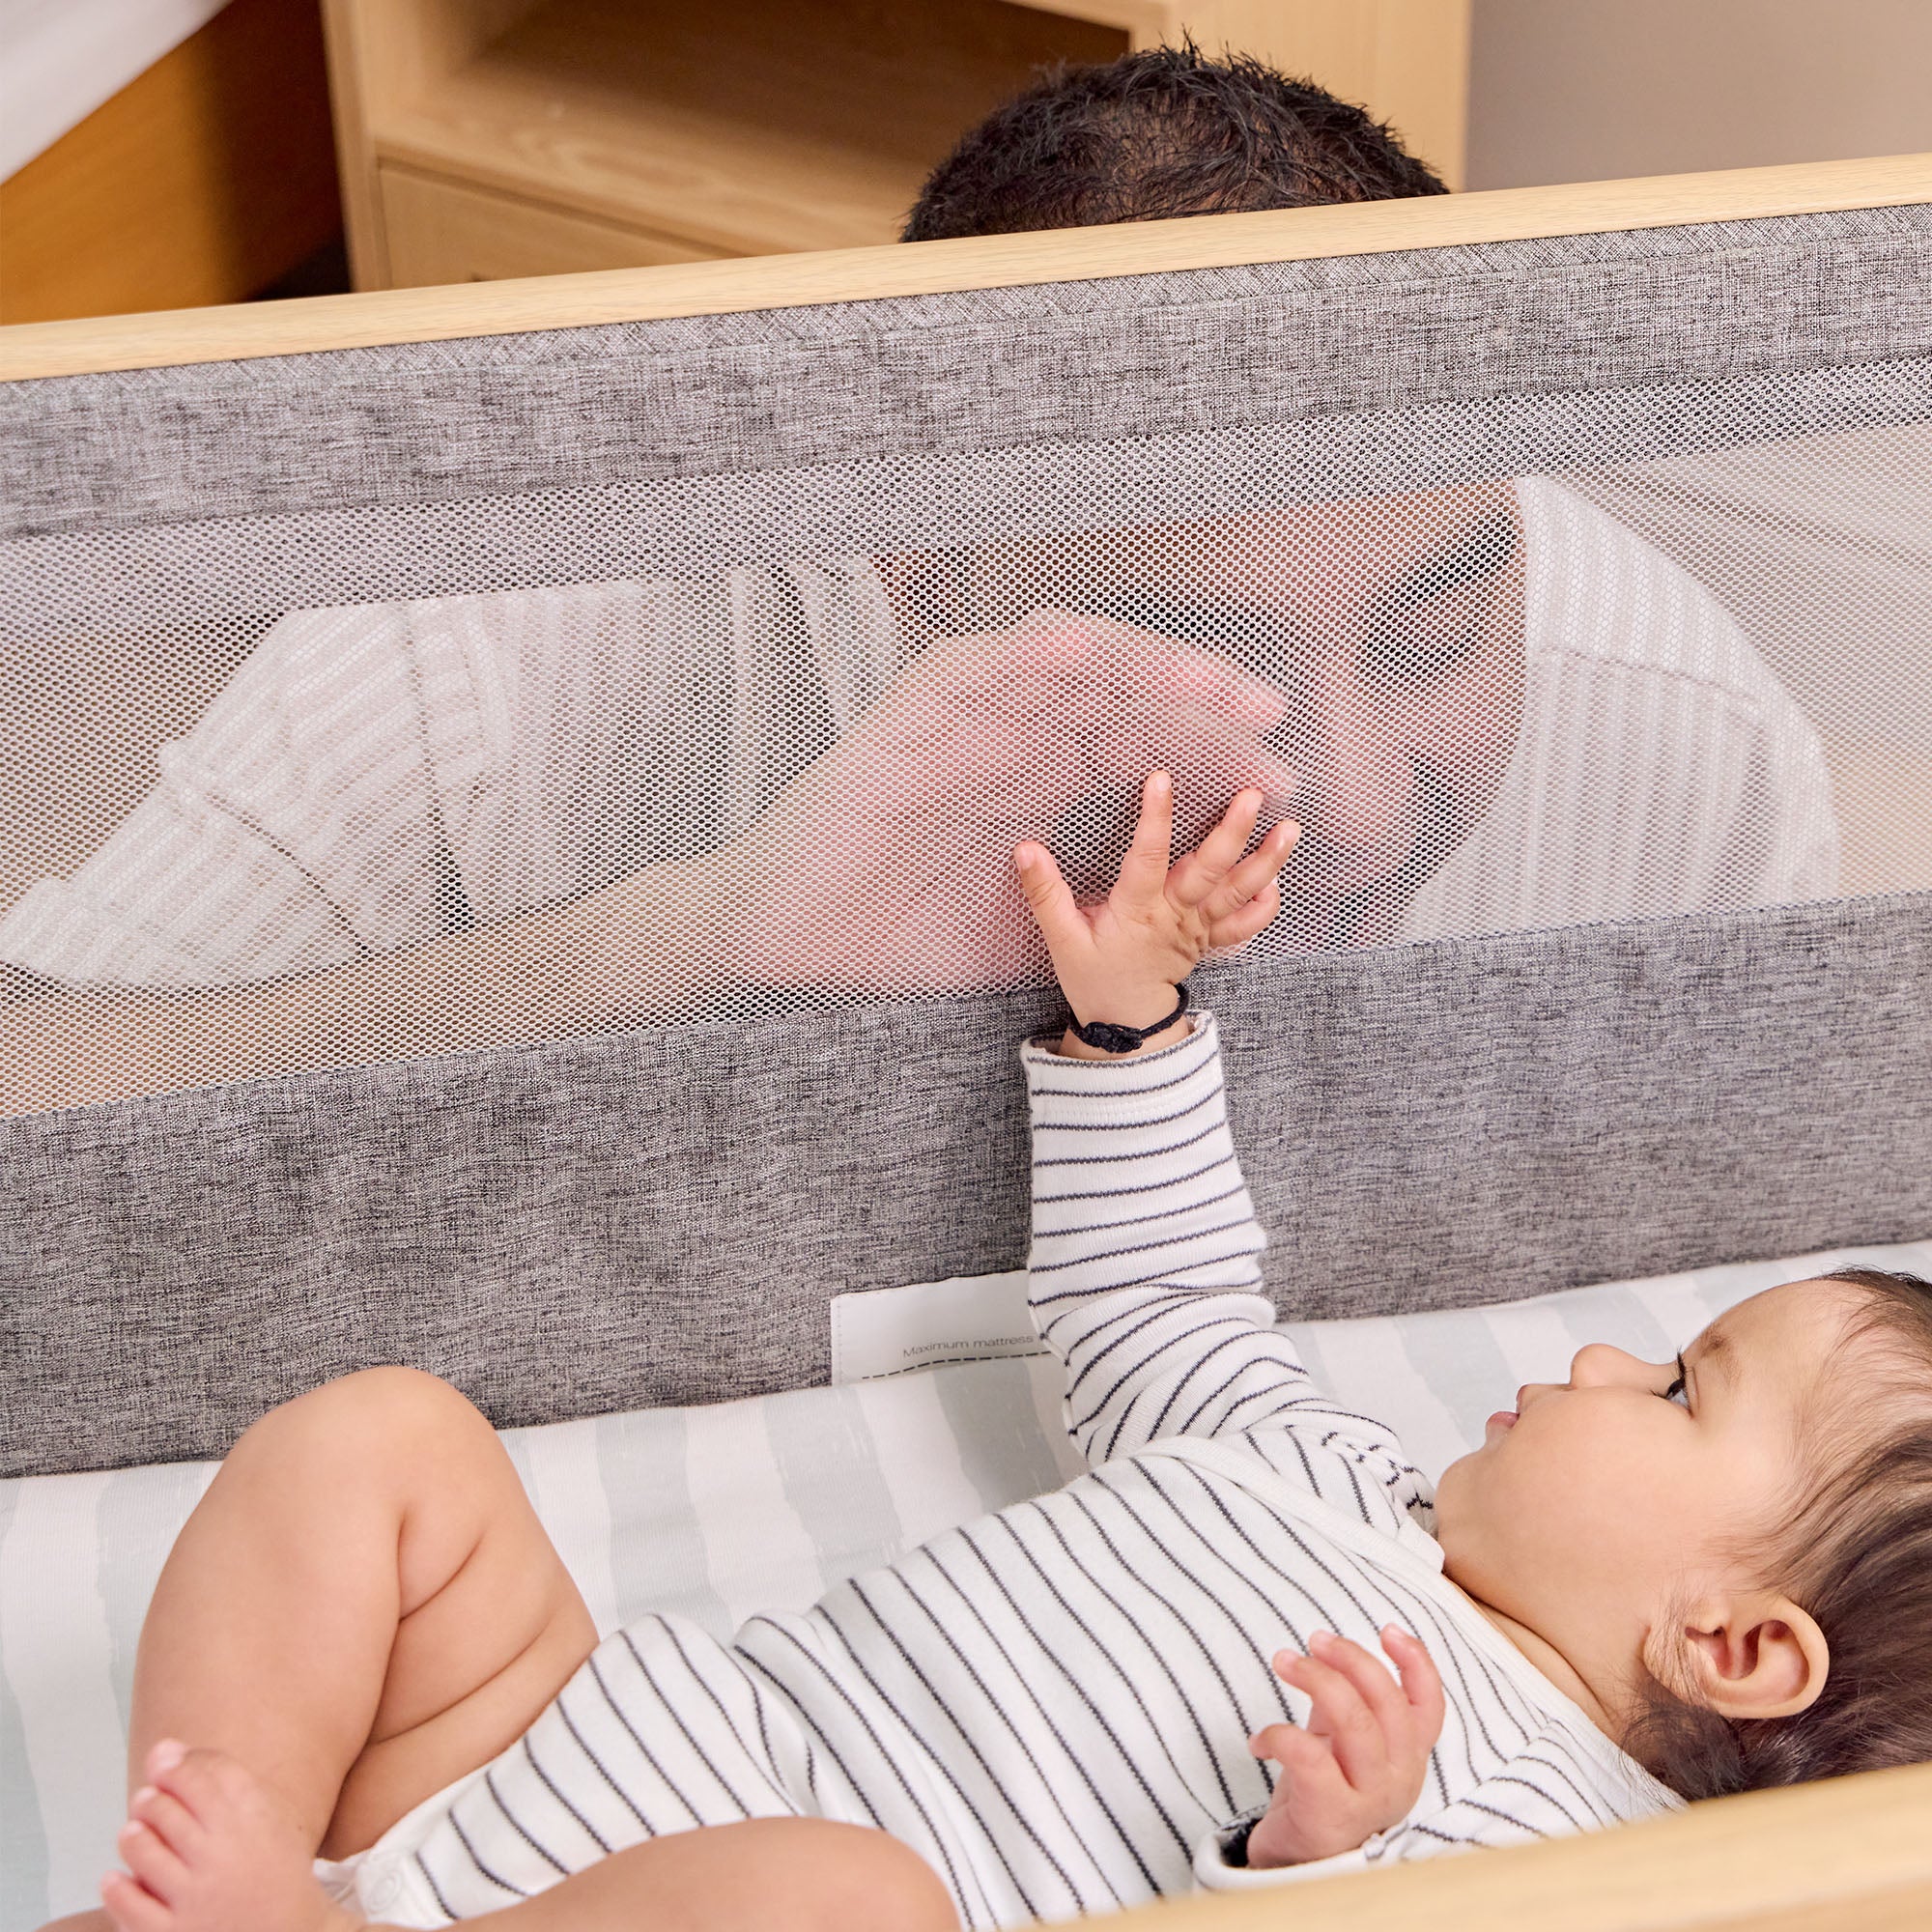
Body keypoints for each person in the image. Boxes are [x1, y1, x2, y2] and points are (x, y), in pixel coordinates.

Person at [68, 778, 1932, 1932]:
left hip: (793, 1894)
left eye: (1681, 1392)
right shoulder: (1331, 1474)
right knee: (380, 1443)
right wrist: (1135, 1029)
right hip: (556, 1743)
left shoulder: (1563, 1848)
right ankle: (216, 1842)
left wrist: (1331, 1866)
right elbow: (1162, 1313)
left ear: (1739, 1644)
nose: (1609, 1362)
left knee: (848, 1902)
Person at [0, 49, 1835, 1116]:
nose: (1346, 803)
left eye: (1438, 630)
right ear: (924, 564)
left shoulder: (1687, 740)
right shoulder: (504, 653)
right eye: (1209, 675)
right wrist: (681, 942)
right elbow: (38, 1089)